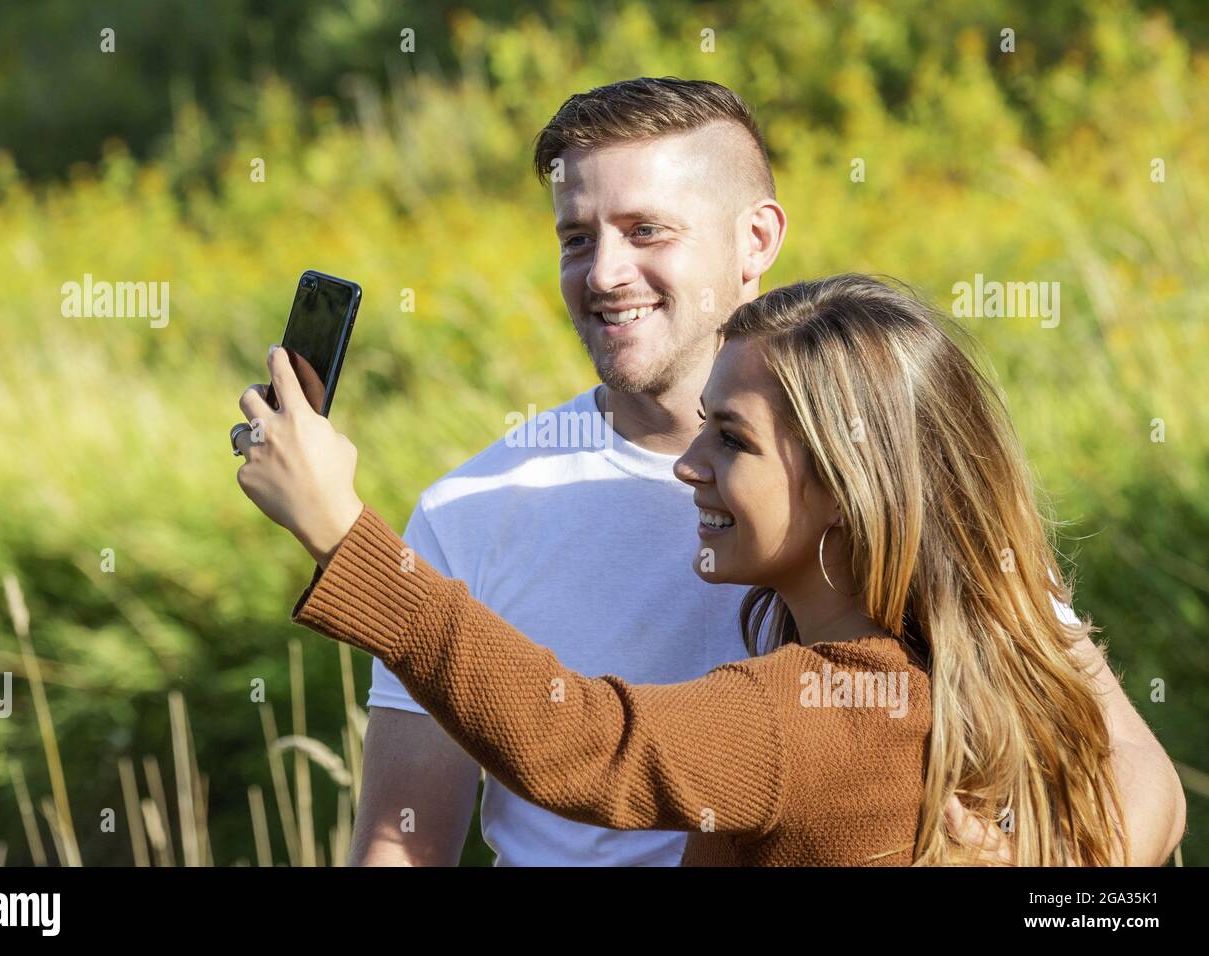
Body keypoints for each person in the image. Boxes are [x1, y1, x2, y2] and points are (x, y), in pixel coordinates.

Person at [235, 77, 1185, 865]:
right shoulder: (470, 512)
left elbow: (1134, 785)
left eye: (648, 230)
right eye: (576, 236)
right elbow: (402, 842)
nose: (603, 271)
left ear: (757, 240)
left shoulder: (898, 481)